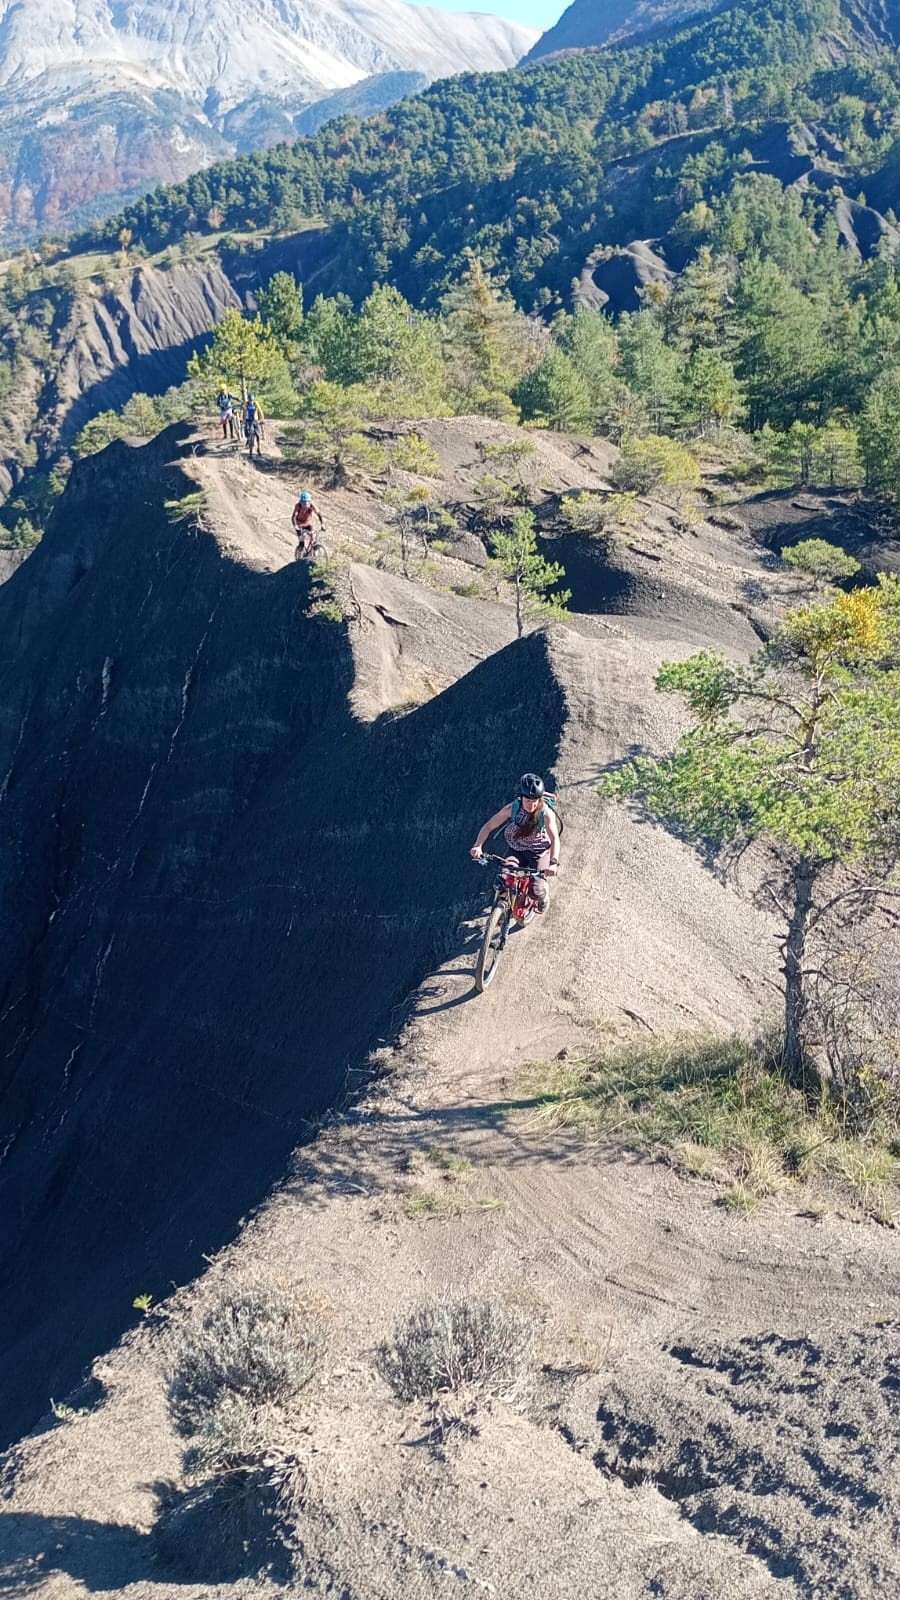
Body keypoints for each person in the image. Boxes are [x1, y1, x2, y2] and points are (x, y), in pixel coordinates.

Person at [469, 773, 560, 914]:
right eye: (528, 800)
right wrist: (478, 845)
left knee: (536, 890)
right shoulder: (512, 809)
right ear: (521, 798)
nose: (532, 804)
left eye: (535, 800)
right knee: (504, 880)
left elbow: (554, 839)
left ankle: (543, 897)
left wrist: (553, 862)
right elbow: (489, 826)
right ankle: (501, 911)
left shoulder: (546, 813)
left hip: (539, 852)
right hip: (516, 849)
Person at [291, 491, 325, 557]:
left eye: (307, 502)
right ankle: (300, 555)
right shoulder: (298, 506)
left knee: (313, 538)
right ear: (301, 502)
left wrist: (322, 524)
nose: (306, 504)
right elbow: (293, 517)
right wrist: (296, 526)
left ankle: (314, 552)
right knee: (302, 541)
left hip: (308, 523)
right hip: (299, 524)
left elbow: (319, 514)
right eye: (304, 502)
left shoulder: (312, 505)